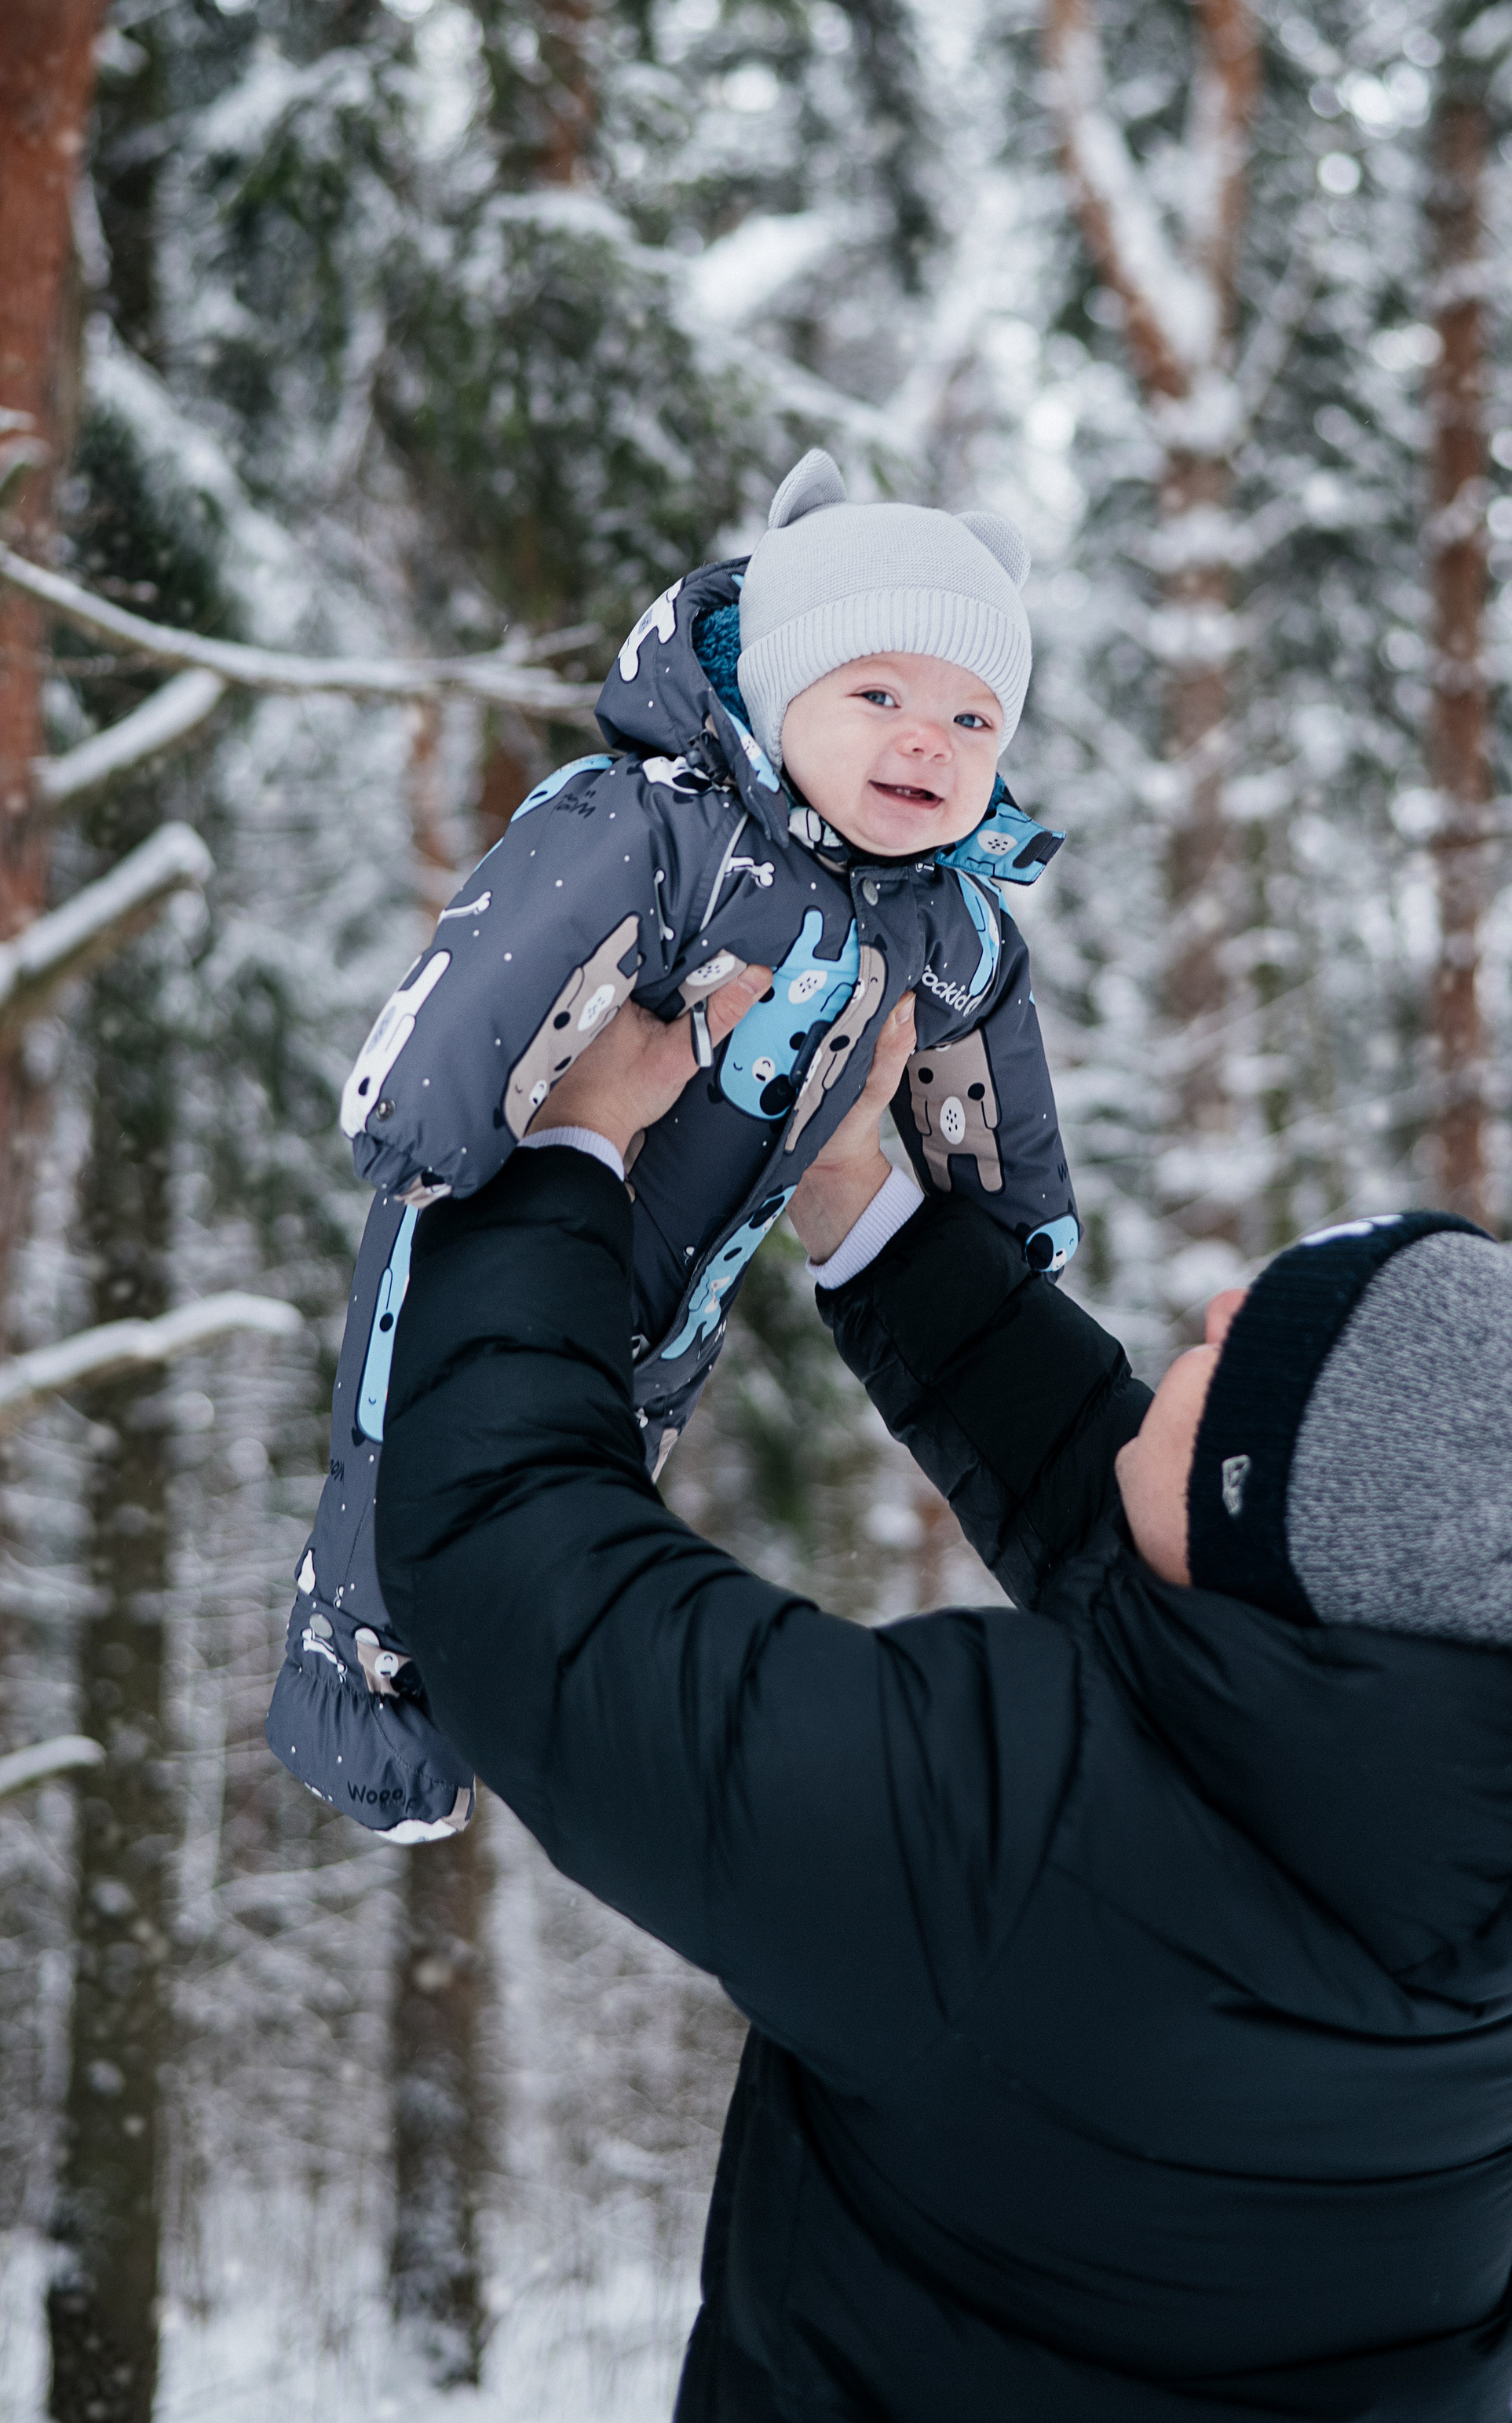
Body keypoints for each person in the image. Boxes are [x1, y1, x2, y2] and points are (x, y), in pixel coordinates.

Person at [373, 975, 1512, 2423]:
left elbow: (525, 1585)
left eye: (1242, 1353)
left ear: (1265, 1514)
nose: (1219, 1311)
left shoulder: (1011, 1859)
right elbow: (1169, 1564)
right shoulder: (1493, 1824)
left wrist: (572, 1147)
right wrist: (868, 1212)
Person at [268, 449, 1079, 1838]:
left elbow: (981, 1052)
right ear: (775, 686)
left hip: (681, 1298)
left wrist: (1007, 1234)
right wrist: (430, 1099)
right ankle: (356, 1700)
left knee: (578, 1496)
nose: (927, 740)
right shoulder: (667, 827)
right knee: (413, 1448)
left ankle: (493, 1721)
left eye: (971, 717)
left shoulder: (941, 923)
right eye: (877, 694)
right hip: (498, 1217)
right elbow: (516, 934)